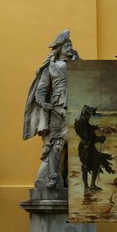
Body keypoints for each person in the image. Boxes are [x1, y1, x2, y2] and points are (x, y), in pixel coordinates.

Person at [21, 30, 78, 205]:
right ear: (59, 49)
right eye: (67, 45)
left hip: (76, 106)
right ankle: (53, 175)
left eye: (71, 45)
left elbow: (90, 78)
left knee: (75, 143)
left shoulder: (78, 65)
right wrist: (43, 103)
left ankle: (70, 177)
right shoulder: (51, 67)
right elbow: (41, 90)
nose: (70, 48)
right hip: (57, 108)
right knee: (57, 143)